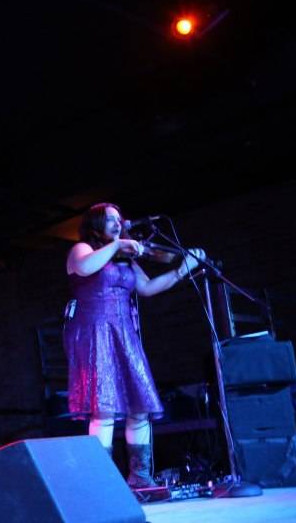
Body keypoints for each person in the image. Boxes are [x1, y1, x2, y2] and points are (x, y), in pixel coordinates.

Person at [63, 203, 205, 488]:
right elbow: (85, 267)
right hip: (94, 332)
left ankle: (140, 478)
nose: (118, 223)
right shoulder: (82, 249)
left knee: (139, 404)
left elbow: (148, 288)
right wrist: (117, 245)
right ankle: (102, 482)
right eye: (111, 219)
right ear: (95, 224)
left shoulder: (125, 258)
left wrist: (183, 270)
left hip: (125, 332)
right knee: (103, 407)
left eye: (120, 219)